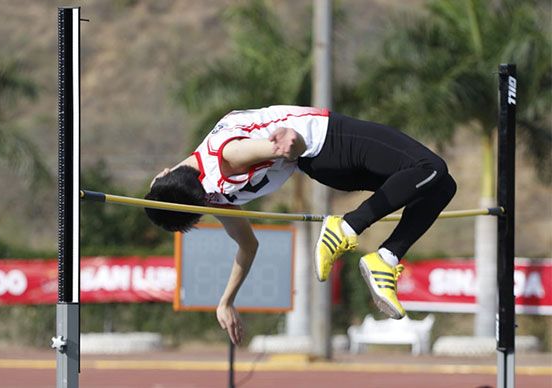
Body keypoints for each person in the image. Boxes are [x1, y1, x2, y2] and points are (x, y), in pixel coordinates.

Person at [145, 105, 456, 345]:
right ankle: (347, 228)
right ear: (164, 173)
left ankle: (386, 258)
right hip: (327, 139)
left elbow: (248, 245)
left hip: (323, 166)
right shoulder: (226, 153)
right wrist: (287, 144)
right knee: (431, 168)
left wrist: (226, 301)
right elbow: (276, 148)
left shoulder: (214, 197)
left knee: (440, 185)